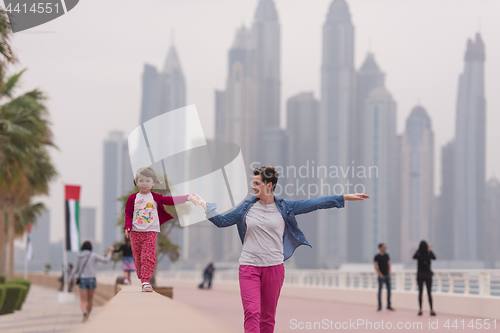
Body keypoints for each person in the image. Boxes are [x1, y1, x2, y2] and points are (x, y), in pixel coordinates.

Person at [190, 166, 369, 333]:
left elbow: (315, 203)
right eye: (252, 183)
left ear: (269, 185)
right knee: (252, 313)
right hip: (248, 267)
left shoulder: (285, 208)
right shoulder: (246, 208)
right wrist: (205, 205)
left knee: (267, 318)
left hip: (274, 268)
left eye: (256, 183)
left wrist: (344, 197)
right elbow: (221, 222)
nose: (252, 187)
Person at [124, 166, 192, 292]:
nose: (144, 183)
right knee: (138, 259)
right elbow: (128, 213)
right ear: (136, 182)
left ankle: (145, 281)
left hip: (150, 232)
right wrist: (128, 227)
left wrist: (186, 197)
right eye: (142, 180)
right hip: (135, 233)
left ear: (153, 183)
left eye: (148, 181)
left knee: (147, 256)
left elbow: (170, 200)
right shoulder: (132, 198)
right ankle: (142, 278)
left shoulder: (156, 197)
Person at [69, 241, 114, 322]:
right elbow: (106, 260)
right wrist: (110, 252)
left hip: (82, 280)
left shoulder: (78, 256)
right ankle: (87, 316)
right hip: (92, 280)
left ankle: (84, 313)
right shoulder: (93, 255)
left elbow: (75, 269)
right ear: (90, 247)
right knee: (90, 300)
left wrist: (69, 279)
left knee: (83, 300)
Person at [413, 240, 436, 316]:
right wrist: (429, 249)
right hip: (428, 274)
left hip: (420, 275)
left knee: (420, 293)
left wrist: (418, 249)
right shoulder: (428, 254)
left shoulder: (419, 254)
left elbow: (414, 257)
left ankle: (420, 309)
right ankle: (431, 310)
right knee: (429, 293)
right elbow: (434, 257)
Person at [374, 243, 394, 311]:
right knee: (380, 291)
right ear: (380, 248)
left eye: (385, 247)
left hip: (387, 275)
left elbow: (389, 264)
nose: (385, 248)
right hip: (381, 276)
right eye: (384, 247)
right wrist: (380, 274)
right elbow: (375, 266)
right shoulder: (377, 256)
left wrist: (389, 272)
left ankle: (389, 305)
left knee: (389, 291)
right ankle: (379, 306)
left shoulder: (387, 255)